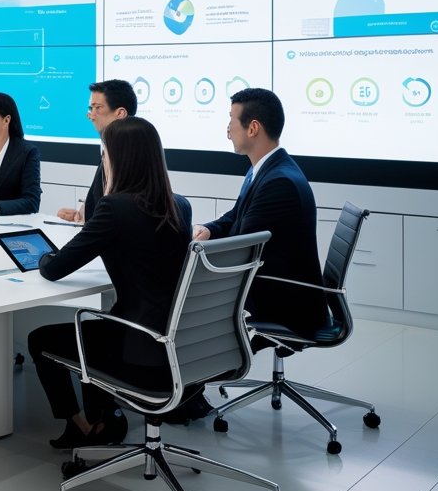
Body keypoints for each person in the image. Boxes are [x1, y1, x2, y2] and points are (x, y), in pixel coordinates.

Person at [28, 116, 192, 449]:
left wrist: (42, 256)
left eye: (105, 154)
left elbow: (55, 269)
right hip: (178, 347)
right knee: (96, 330)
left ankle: (83, 426)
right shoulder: (180, 206)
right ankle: (105, 417)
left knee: (41, 339)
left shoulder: (115, 208)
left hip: (139, 348)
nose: (103, 161)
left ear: (117, 159)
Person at [193, 88, 325, 339]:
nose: (228, 130)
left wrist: (195, 254)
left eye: (231, 120)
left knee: (187, 304)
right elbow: (238, 215)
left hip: (284, 303)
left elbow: (242, 247)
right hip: (274, 288)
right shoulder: (267, 169)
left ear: (253, 128)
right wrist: (209, 229)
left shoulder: (279, 182)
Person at [56, 79, 136, 224]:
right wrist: (81, 214)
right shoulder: (108, 151)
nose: (91, 116)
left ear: (120, 113)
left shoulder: (129, 156)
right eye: (90, 108)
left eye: (97, 108)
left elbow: (120, 211)